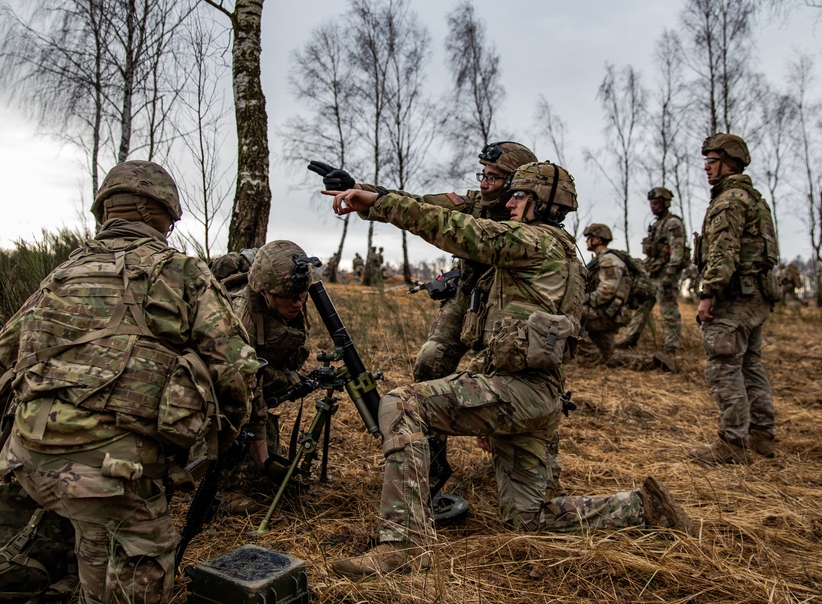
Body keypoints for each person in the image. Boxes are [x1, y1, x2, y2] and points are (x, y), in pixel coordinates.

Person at [0, 160, 258, 604]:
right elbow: (238, 375)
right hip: (109, 481)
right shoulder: (183, 272)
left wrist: (6, 464)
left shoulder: (61, 274)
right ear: (164, 215)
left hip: (24, 465)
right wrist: (207, 449)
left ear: (105, 210)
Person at [323, 162, 695, 576]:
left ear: (542, 204)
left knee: (401, 403)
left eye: (519, 196)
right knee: (530, 519)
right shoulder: (559, 253)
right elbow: (507, 335)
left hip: (522, 392)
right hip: (536, 396)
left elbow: (455, 226)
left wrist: (377, 201)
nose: (510, 203)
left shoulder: (537, 242)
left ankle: (402, 547)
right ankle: (641, 507)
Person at [310, 142, 539, 466]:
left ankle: (522, 451)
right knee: (430, 361)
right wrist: (362, 190)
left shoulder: (534, 224)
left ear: (518, 182)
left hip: (512, 312)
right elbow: (418, 204)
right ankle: (432, 458)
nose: (484, 184)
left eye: (494, 178)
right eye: (483, 175)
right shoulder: (470, 204)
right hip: (468, 298)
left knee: (510, 382)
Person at [690, 134, 780, 464]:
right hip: (756, 297)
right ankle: (761, 436)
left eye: (711, 162)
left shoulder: (728, 201)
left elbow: (723, 253)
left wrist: (708, 293)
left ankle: (733, 443)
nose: (707, 169)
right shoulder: (755, 198)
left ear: (728, 164)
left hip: (734, 298)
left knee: (724, 368)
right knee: (751, 366)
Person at [230, 240, 316, 486]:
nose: (298, 304)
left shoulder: (292, 297)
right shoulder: (241, 319)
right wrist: (264, 460)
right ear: (264, 292)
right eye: (289, 298)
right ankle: (229, 485)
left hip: (257, 380)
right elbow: (247, 388)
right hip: (229, 391)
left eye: (302, 296)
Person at [578, 224, 673, 371]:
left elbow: (607, 291)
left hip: (604, 314)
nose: (586, 242)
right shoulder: (603, 259)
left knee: (569, 315)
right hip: (608, 314)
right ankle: (653, 362)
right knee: (609, 357)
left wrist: (579, 301)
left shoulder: (608, 259)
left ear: (597, 239)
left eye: (589, 238)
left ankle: (591, 358)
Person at [619, 187, 688, 352]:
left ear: (665, 203)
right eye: (651, 203)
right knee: (642, 306)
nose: (653, 207)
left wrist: (670, 274)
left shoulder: (673, 223)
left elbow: (677, 252)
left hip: (666, 274)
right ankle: (631, 338)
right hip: (653, 273)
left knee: (668, 310)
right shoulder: (657, 224)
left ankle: (672, 346)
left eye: (656, 203)